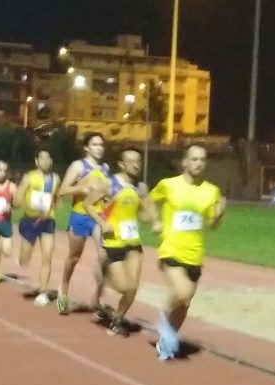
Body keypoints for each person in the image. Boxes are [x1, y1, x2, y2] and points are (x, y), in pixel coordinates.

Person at [147, 145, 225, 361]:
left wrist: (219, 215)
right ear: (184, 162)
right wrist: (155, 221)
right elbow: (149, 201)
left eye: (202, 160)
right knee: (181, 294)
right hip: (171, 248)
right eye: (194, 159)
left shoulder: (211, 191)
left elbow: (211, 224)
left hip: (195, 254)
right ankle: (164, 321)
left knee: (186, 302)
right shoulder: (168, 185)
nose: (199, 163)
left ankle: (167, 340)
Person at [83, 147, 146, 336]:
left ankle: (117, 320)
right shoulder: (110, 184)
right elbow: (88, 204)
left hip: (133, 242)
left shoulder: (141, 188)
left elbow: (143, 213)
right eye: (131, 161)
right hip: (113, 243)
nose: (136, 165)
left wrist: (153, 217)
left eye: (138, 161)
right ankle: (104, 276)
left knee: (133, 287)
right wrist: (102, 223)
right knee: (124, 286)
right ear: (121, 164)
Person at [55, 132, 111, 315]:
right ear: (87, 147)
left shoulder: (105, 168)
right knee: (74, 257)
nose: (99, 148)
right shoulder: (78, 166)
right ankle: (64, 287)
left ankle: (97, 299)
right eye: (95, 145)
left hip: (98, 217)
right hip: (80, 217)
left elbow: (106, 192)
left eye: (101, 145)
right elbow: (63, 190)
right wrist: (83, 188)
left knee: (105, 256)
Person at [16, 149, 61, 305]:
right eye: (42, 158)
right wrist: (29, 206)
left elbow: (56, 197)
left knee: (47, 257)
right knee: (24, 260)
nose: (45, 161)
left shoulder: (55, 179)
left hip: (48, 221)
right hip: (30, 220)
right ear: (36, 161)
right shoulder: (29, 177)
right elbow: (17, 199)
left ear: (51, 161)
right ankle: (21, 258)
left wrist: (52, 207)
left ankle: (42, 292)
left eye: (48, 158)